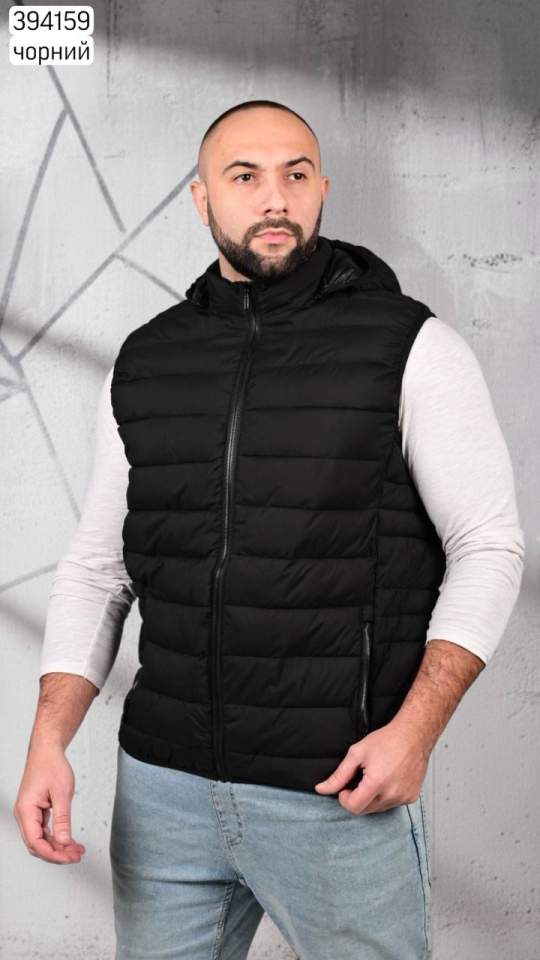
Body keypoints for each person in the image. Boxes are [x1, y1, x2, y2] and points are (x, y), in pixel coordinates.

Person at [14, 99, 525, 960]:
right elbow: (101, 569)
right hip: (164, 791)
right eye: (244, 176)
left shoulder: (410, 346)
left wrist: (414, 732)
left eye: (295, 174)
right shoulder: (147, 360)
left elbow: (488, 545)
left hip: (336, 793)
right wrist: (48, 740)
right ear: (202, 198)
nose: (274, 198)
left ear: (322, 189)